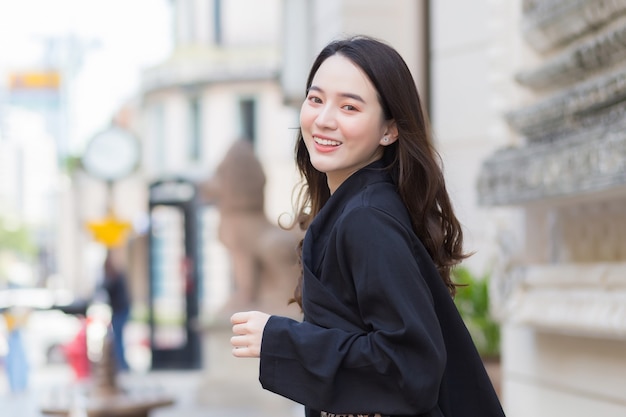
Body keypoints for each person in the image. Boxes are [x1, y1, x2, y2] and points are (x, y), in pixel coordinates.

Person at [230, 35, 506, 417]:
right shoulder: (359, 206)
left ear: (389, 130)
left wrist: (280, 340)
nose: (324, 119)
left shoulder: (366, 218)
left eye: (349, 106)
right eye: (315, 99)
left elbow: (411, 365)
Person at [101, 250, 130, 371]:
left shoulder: (115, 278)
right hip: (120, 310)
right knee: (118, 337)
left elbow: (107, 289)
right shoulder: (117, 276)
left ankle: (121, 364)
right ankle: (121, 363)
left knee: (118, 338)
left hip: (120, 310)